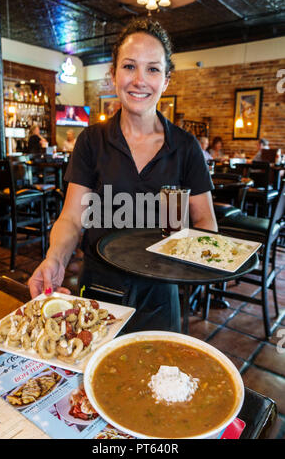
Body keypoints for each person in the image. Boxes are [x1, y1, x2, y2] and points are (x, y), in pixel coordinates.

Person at [28, 18, 217, 333]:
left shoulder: (185, 147)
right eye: (129, 66)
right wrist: (55, 259)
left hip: (162, 291)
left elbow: (206, 224)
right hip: (101, 288)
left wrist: (187, 260)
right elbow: (73, 219)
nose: (139, 80)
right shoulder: (91, 141)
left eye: (153, 69)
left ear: (166, 80)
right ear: (113, 74)